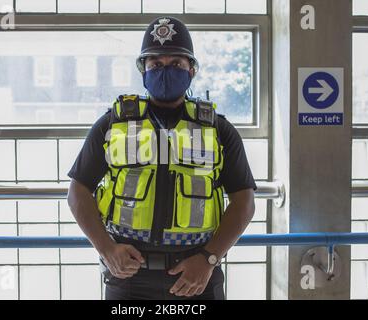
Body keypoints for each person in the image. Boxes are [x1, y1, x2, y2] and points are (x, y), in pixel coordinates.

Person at [67, 16, 256, 300]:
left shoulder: (218, 129)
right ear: (143, 70)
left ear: (192, 70)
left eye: (176, 64)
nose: (165, 71)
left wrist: (209, 259)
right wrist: (107, 249)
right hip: (129, 277)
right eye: (156, 64)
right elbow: (78, 192)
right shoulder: (113, 124)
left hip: (197, 275)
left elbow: (244, 201)